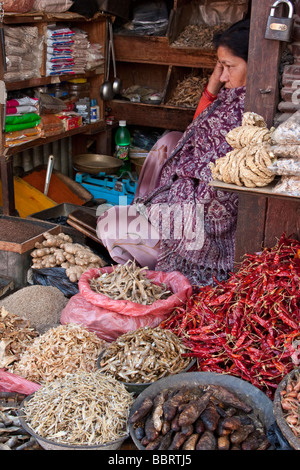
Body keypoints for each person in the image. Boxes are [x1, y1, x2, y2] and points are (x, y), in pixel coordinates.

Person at [96, 19, 250, 288]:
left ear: (257, 64)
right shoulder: (233, 98)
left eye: (229, 67)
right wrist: (214, 83)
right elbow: (196, 131)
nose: (223, 76)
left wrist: (169, 202)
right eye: (220, 66)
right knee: (170, 140)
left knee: (109, 223)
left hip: (206, 228)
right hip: (187, 202)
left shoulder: (245, 117)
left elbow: (216, 198)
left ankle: (146, 269)